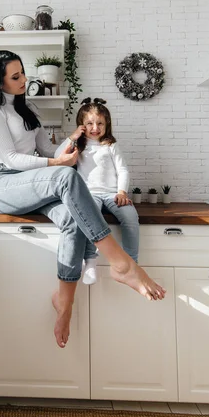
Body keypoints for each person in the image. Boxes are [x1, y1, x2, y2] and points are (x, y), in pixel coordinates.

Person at [0, 50, 166, 349]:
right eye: (15, 77)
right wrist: (57, 167)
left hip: (30, 184)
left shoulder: (28, 110)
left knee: (72, 218)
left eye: (23, 72)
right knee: (67, 176)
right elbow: (12, 158)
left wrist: (72, 139)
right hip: (0, 184)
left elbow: (49, 153)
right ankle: (123, 265)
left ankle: (64, 300)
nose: (24, 80)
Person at [55, 97, 139, 286]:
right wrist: (73, 136)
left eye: (100, 123)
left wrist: (122, 192)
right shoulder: (79, 146)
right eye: (90, 123)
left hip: (112, 194)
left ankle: (131, 263)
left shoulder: (110, 145)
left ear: (106, 124)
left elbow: (123, 170)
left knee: (131, 216)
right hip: (88, 194)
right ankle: (90, 261)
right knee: (89, 219)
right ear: (82, 125)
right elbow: (56, 156)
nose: (95, 127)